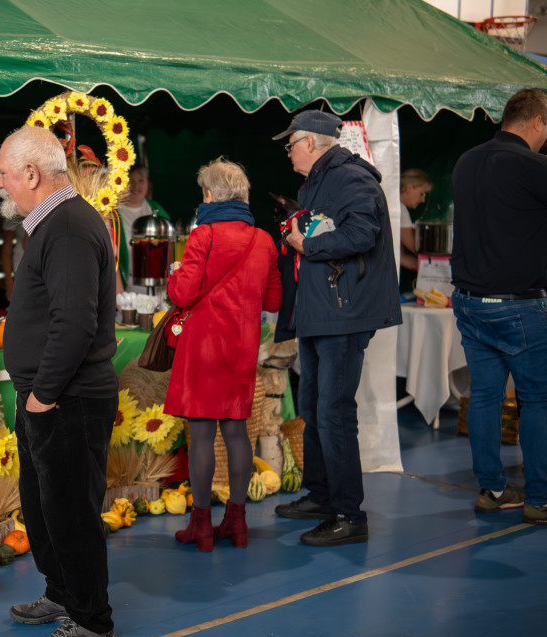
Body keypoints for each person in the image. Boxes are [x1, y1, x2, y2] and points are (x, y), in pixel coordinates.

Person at [0, 126, 120, 637]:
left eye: (4, 172)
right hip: (50, 396)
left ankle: (92, 621)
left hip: (67, 398)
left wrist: (43, 394)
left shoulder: (67, 227)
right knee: (44, 507)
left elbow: (74, 323)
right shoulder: (52, 223)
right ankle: (64, 594)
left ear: (31, 174)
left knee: (69, 511)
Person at [271, 110, 402, 546]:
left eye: (290, 144)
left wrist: (309, 243)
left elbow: (363, 232)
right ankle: (322, 496)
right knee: (312, 405)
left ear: (311, 143)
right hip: (323, 311)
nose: (287, 152)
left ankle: (350, 515)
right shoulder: (319, 181)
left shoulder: (349, 177)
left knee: (333, 413)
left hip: (343, 313)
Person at [164, 158, 281, 551]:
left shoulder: (203, 236)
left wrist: (175, 271)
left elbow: (182, 294)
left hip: (203, 348)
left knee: (201, 435)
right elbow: (275, 299)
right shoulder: (264, 240)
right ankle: (238, 520)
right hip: (242, 347)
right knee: (235, 432)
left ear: (210, 195)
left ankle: (201, 526)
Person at [450, 87, 547, 525]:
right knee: (537, 400)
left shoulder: (465, 160)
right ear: (538, 122)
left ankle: (492, 489)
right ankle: (540, 497)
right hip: (519, 305)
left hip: (470, 302)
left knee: (484, 398)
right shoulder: (534, 166)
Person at [115, 166, 171, 292]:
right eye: (130, 180)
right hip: (127, 290)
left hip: (158, 289)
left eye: (141, 181)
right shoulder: (113, 213)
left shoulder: (157, 210)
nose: (135, 186)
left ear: (148, 183)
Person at [398, 168, 433, 283]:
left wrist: (430, 272)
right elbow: (415, 247)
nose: (423, 200)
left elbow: (401, 257)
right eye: (421, 194)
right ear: (409, 188)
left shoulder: (395, 205)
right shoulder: (400, 209)